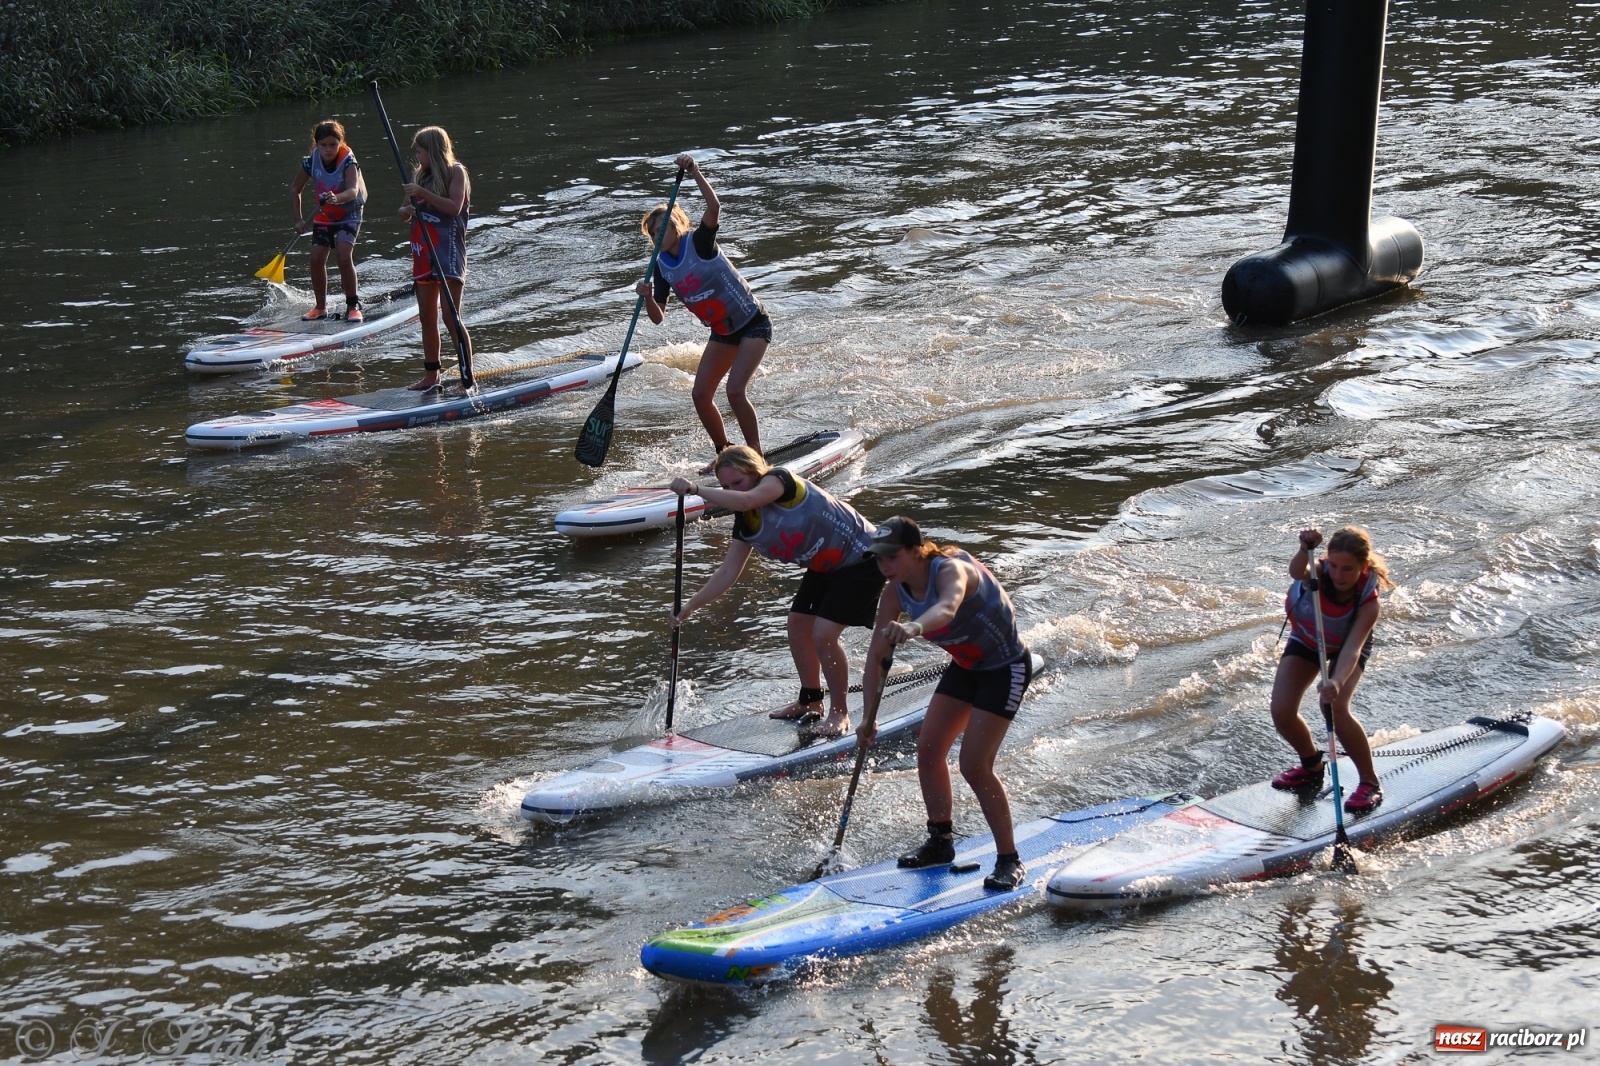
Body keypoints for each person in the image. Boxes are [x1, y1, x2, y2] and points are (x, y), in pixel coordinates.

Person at [857, 517, 1033, 892]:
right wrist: (867, 717)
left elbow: (947, 608)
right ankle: (940, 841)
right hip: (967, 667)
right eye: (879, 560)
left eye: (892, 557)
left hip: (1005, 668)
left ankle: (1009, 859)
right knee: (929, 749)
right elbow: (876, 656)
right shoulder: (894, 592)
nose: (885, 567)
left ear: (917, 550)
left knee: (973, 764)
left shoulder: (951, 569)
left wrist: (913, 627)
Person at [667, 446, 884, 739]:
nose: (732, 491)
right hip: (826, 566)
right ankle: (811, 700)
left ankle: (840, 713)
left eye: (737, 482)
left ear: (756, 474)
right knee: (797, 624)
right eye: (726, 486)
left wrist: (695, 488)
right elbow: (728, 572)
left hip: (864, 558)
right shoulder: (746, 522)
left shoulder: (779, 480)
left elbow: (747, 499)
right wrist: (690, 606)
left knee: (823, 635)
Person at [637, 154, 772, 460]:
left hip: (753, 322)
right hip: (724, 333)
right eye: (653, 233)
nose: (658, 236)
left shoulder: (699, 241)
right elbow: (658, 318)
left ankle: (756, 455)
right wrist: (646, 296)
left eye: (663, 229)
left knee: (735, 392)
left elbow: (714, 207)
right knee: (700, 395)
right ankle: (724, 454)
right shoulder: (661, 267)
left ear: (677, 226)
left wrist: (695, 172)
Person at [1268, 525, 1394, 813]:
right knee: (1281, 710)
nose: (1338, 576)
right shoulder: (1314, 571)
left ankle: (1369, 782)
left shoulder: (1368, 602)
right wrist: (1304, 546)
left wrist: (1336, 681)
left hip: (1346, 645)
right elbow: (1294, 571)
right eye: (1334, 566)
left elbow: (1352, 649)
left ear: (1363, 566)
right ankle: (1312, 765)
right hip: (1308, 638)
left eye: (1348, 569)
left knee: (1334, 707)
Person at [399, 126, 471, 391]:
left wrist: (423, 194)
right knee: (427, 318)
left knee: (451, 318)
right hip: (422, 253)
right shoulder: (420, 175)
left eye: (420, 151)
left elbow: (454, 207)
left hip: (448, 253)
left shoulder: (456, 172)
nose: (417, 156)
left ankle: (467, 377)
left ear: (432, 151)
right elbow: (402, 213)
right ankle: (432, 376)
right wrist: (409, 207)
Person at [291, 120, 366, 322]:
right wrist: (298, 220)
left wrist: (337, 197)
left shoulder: (348, 161)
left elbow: (353, 190)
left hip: (349, 213)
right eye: (323, 145)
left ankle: (352, 306)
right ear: (317, 145)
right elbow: (295, 190)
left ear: (340, 143)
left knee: (343, 256)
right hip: (325, 215)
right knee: (316, 259)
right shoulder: (309, 162)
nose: (328, 149)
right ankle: (320, 307)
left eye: (333, 144)